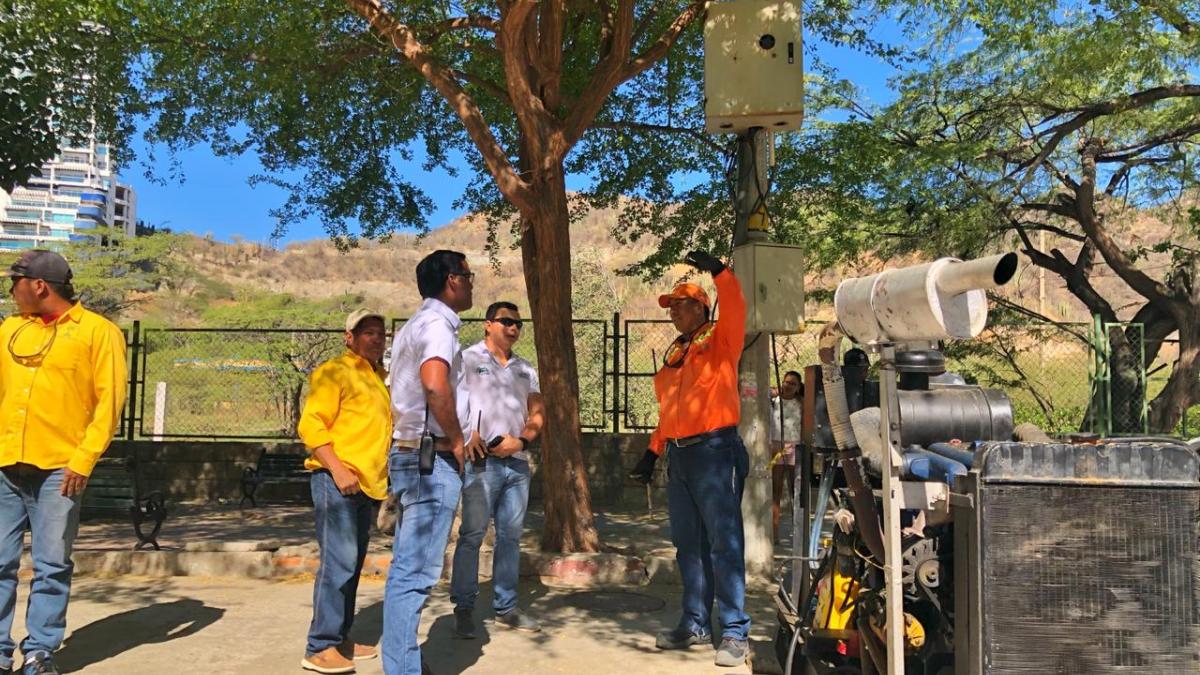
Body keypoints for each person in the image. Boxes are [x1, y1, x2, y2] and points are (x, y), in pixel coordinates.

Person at [0, 250, 127, 675]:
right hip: (5, 464)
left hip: (61, 469)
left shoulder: (98, 332)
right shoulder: (11, 329)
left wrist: (83, 460)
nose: (11, 291)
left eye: (13, 282)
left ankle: (40, 650)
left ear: (38, 285)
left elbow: (110, 403)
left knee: (52, 565)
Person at [628, 250, 750, 668]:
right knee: (688, 546)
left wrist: (720, 273)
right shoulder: (676, 355)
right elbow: (670, 412)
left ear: (700, 307)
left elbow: (735, 306)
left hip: (716, 452)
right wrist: (652, 451)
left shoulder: (721, 339)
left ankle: (735, 632)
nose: (673, 314)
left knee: (724, 543)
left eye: (680, 306)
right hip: (679, 457)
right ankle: (695, 623)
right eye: (671, 308)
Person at [383, 250, 473, 675]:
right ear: (452, 280)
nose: (472, 283)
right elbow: (436, 386)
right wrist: (457, 442)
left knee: (407, 567)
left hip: (410, 455)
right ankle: (402, 669)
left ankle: (404, 661)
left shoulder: (413, 325)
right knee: (414, 573)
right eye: (468, 275)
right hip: (430, 460)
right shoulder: (438, 324)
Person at [297, 309, 391, 674]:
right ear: (348, 337)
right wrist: (336, 469)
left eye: (381, 333)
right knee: (338, 562)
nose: (376, 338)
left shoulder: (379, 379)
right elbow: (311, 425)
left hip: (364, 485)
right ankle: (319, 646)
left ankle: (339, 638)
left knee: (350, 565)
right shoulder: (334, 371)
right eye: (367, 332)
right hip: (335, 479)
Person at [450, 301, 545, 638]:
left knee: (510, 537)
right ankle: (463, 607)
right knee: (473, 535)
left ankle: (506, 607)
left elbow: (537, 414)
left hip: (517, 465)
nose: (513, 328)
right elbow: (452, 402)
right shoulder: (467, 359)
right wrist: (466, 435)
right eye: (506, 321)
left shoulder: (525, 368)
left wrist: (522, 442)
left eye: (518, 323)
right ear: (488, 324)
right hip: (481, 463)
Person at [770, 370, 803, 541]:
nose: (788, 386)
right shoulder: (774, 401)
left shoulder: (801, 403)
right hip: (776, 448)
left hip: (794, 448)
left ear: (798, 388)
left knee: (794, 491)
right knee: (775, 490)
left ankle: (798, 532)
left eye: (793, 384)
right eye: (786, 382)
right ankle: (773, 532)